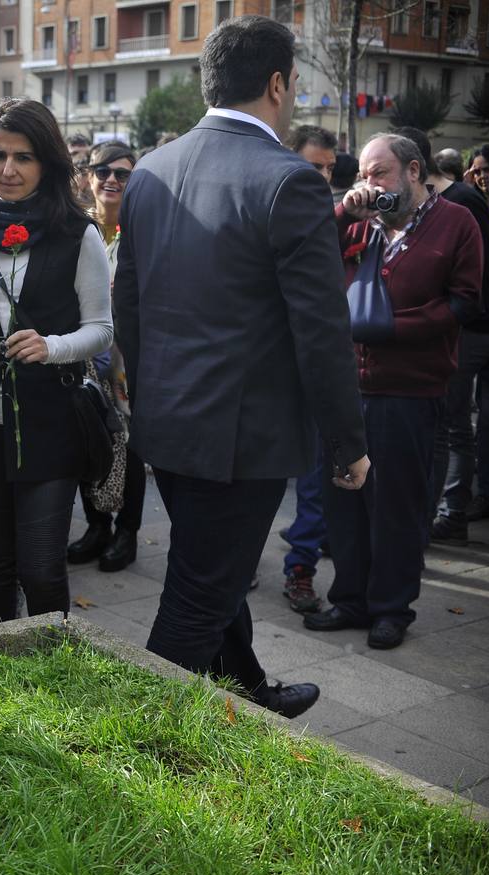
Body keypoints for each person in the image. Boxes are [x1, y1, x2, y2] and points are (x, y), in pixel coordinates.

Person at [115, 16, 369, 718]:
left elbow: (127, 307)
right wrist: (349, 444)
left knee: (209, 569)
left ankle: (247, 690)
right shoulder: (290, 181)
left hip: (170, 421)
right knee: (198, 593)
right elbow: (321, 331)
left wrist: (154, 392)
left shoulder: (152, 170)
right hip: (240, 436)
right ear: (279, 83)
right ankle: (135, 753)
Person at [304, 133, 482, 650]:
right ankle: (351, 598)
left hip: (409, 388)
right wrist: (343, 211)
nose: (369, 183)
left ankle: (390, 608)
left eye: (378, 173)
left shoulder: (456, 222)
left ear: (412, 171)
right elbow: (312, 253)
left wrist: (394, 328)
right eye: (363, 172)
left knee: (396, 503)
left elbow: (466, 301)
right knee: (345, 499)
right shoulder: (360, 221)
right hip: (347, 385)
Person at [0, 99, 111, 626]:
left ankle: (53, 680)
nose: (8, 170)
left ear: (48, 164)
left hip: (49, 425)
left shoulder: (76, 233)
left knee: (39, 568)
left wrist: (51, 345)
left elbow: (102, 330)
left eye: (24, 158)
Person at [393, 127, 489, 548]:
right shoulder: (445, 201)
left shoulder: (460, 204)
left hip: (468, 331)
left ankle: (446, 516)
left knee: (448, 426)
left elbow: (473, 286)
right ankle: (434, 515)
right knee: (448, 424)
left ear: (413, 167)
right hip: (461, 328)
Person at [66, 140, 145, 574]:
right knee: (88, 435)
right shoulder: (78, 229)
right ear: (88, 177)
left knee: (130, 443)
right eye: (103, 171)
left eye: (123, 173)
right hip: (83, 351)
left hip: (127, 357)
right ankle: (97, 525)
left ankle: (127, 531)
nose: (111, 180)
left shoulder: (143, 231)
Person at [273, 124, 341, 613]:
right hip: (267, 375)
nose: (321, 176)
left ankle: (300, 568)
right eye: (313, 165)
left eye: (329, 169)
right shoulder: (274, 205)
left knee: (315, 480)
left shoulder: (346, 218)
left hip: (315, 375)